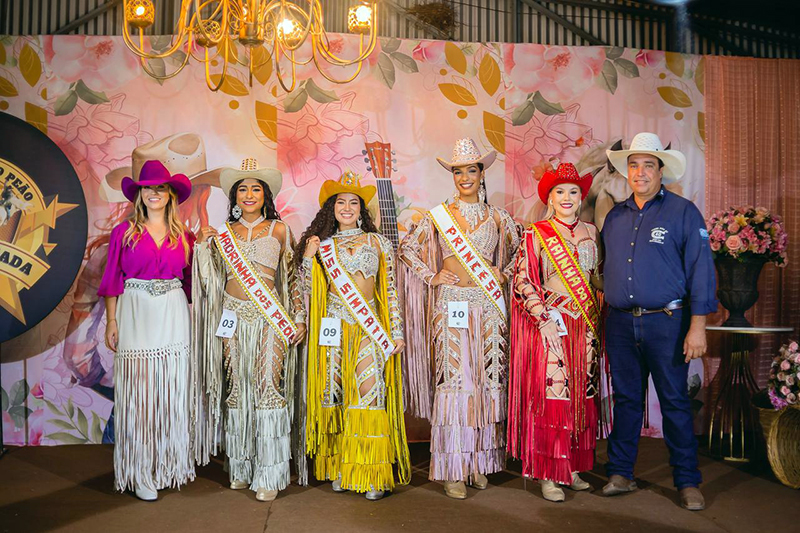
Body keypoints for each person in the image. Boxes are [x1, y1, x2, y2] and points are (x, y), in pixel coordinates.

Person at [398, 138, 520, 499]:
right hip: (451, 304)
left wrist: (504, 271)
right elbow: (406, 248)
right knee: (456, 382)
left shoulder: (499, 217)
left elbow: (522, 254)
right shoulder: (438, 215)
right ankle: (453, 467)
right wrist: (431, 275)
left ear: (482, 173)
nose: (464, 177)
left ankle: (478, 462)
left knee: (485, 382)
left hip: (488, 305)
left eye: (471, 169)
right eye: (458, 171)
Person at [602, 132, 717, 511]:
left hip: (667, 322)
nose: (640, 172)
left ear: (661, 171)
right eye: (634, 165)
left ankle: (687, 481)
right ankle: (620, 473)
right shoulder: (614, 217)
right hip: (619, 323)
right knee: (626, 400)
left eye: (648, 165)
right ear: (627, 171)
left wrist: (697, 326)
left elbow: (701, 270)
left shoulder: (684, 213)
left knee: (674, 402)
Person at [193, 158, 307, 502]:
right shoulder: (222, 234)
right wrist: (201, 247)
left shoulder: (279, 230)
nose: (249, 194)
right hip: (233, 317)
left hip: (270, 318)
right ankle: (241, 466)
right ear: (233, 196)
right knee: (238, 388)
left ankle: (269, 473)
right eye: (242, 188)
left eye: (256, 188)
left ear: (265, 195)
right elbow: (208, 281)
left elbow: (292, 279)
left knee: (269, 386)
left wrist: (298, 317)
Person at [296, 171, 410, 501]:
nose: (347, 207)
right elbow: (306, 290)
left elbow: (389, 290)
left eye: (354, 202)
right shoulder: (322, 247)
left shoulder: (378, 242)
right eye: (341, 202)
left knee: (369, 392)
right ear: (331, 209)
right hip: (333, 326)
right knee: (334, 395)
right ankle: (342, 468)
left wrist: (397, 331)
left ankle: (372, 472)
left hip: (368, 327)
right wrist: (307, 257)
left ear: (362, 209)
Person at [98, 159, 199, 501]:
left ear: (170, 195)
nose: (154, 194)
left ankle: (166, 464)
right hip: (136, 310)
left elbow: (192, 285)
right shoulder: (123, 233)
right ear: (139, 195)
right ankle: (139, 470)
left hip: (172, 312)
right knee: (139, 393)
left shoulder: (185, 236)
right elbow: (112, 280)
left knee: (169, 392)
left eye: (160, 188)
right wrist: (112, 321)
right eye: (148, 188)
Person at [508, 163, 603, 502]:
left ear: (582, 197)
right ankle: (549, 472)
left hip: (586, 325)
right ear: (549, 197)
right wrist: (543, 318)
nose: (567, 197)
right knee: (555, 397)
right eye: (560, 191)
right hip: (552, 324)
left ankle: (573, 467)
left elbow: (596, 279)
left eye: (573, 192)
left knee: (582, 395)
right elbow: (523, 281)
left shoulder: (592, 232)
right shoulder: (536, 233)